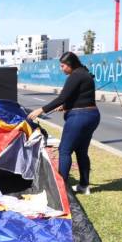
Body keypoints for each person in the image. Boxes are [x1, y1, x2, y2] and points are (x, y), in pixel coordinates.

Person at [27, 51, 100, 194]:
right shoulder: (84, 74)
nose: (61, 69)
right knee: (81, 151)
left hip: (79, 117)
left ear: (70, 65)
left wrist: (40, 110)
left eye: (62, 66)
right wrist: (66, 106)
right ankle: (84, 186)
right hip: (92, 115)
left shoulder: (75, 76)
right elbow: (81, 97)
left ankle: (61, 189)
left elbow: (62, 97)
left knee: (64, 151)